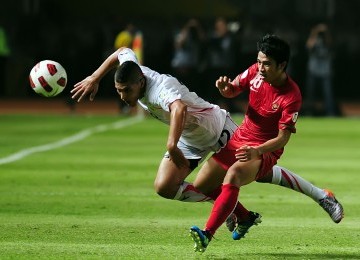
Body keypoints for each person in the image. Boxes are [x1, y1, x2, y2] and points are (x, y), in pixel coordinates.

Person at [70, 46, 343, 238]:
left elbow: (179, 109)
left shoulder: (161, 88)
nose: (122, 96)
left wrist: (170, 146)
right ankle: (242, 215)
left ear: (141, 82)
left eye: (126, 90)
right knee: (164, 187)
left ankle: (320, 195)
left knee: (260, 173)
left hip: (217, 130)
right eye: (119, 91)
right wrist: (95, 77)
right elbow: (121, 53)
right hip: (190, 138)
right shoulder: (134, 71)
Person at [189, 34, 344, 253]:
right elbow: (234, 88)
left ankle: (206, 234)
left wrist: (257, 151)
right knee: (202, 186)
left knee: (233, 176)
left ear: (282, 65)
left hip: (265, 150)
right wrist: (226, 90)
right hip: (240, 139)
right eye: (259, 61)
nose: (261, 68)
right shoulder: (256, 71)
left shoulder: (291, 95)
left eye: (267, 64)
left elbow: (283, 138)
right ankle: (242, 216)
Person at [305, 23, 335, 116]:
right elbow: (308, 46)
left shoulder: (327, 39)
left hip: (325, 71)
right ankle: (309, 112)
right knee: (310, 93)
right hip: (313, 70)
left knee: (328, 94)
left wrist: (326, 32)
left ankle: (330, 112)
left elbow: (330, 43)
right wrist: (315, 31)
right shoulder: (314, 38)